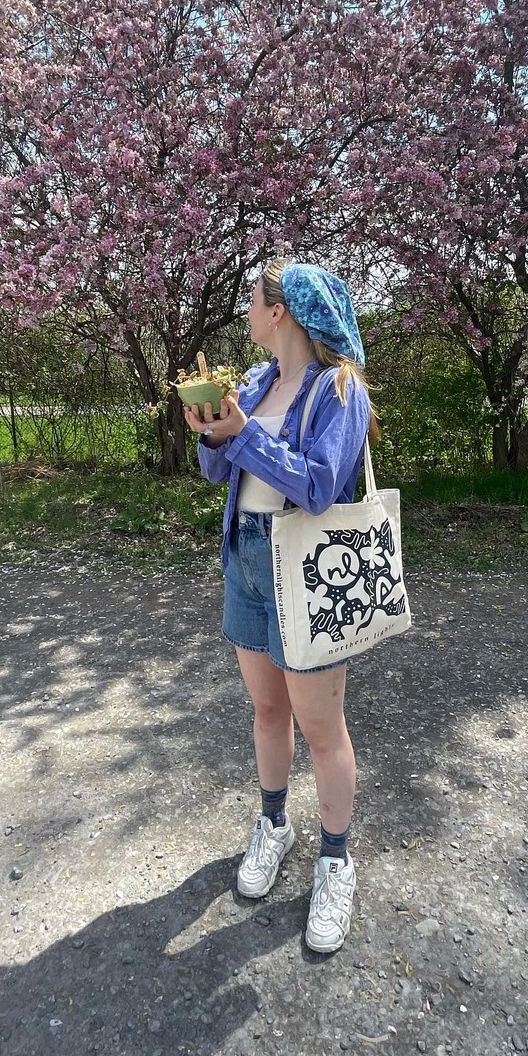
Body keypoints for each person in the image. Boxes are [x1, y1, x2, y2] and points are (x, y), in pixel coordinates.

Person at [183, 257, 380, 953]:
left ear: (281, 311)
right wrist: (215, 430)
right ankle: (274, 824)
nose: (245, 311)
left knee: (322, 728)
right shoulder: (255, 382)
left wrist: (244, 434)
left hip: (306, 565)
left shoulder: (339, 389)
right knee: (268, 710)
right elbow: (219, 469)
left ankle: (336, 860)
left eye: (253, 301)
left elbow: (319, 486)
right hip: (245, 557)